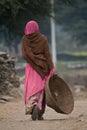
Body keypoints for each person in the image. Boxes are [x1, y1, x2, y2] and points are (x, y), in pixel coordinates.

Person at [21, 20, 55, 120]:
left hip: (31, 68)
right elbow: (47, 55)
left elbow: (24, 55)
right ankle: (39, 111)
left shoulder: (25, 39)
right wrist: (51, 67)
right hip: (43, 66)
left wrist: (33, 61)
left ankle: (32, 106)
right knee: (41, 88)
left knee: (31, 88)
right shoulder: (43, 38)